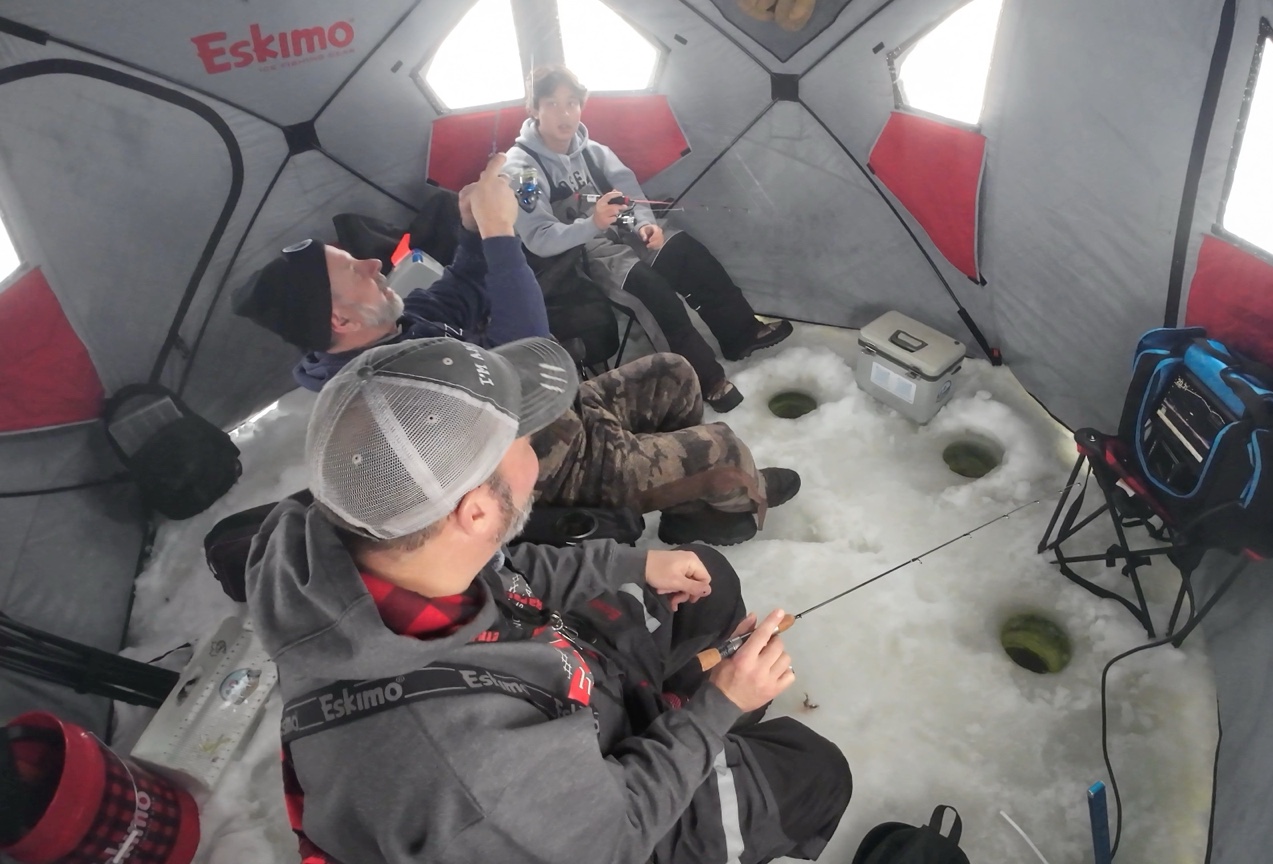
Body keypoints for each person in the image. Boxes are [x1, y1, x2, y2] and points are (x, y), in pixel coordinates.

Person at [248, 336, 852, 864]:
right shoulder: (462, 776)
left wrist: (636, 562)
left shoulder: (380, 530)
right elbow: (615, 837)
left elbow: (506, 569)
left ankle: (692, 710)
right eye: (520, 439)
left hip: (555, 686)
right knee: (815, 770)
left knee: (707, 577)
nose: (539, 452)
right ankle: (714, 730)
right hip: (599, 823)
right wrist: (718, 707)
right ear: (476, 511)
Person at [233, 154, 797, 545]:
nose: (374, 263)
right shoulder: (385, 396)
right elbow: (527, 356)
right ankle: (730, 503)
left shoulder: (402, 324)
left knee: (674, 373)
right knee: (722, 449)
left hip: (569, 415)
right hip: (550, 469)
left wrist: (474, 230)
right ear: (339, 318)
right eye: (352, 270)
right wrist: (503, 235)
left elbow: (462, 285)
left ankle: (683, 505)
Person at [503, 65, 793, 414]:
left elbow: (630, 195)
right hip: (579, 254)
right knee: (652, 290)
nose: (564, 114)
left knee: (687, 252)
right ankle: (704, 380)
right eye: (552, 104)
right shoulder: (522, 168)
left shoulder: (594, 151)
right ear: (533, 108)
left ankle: (741, 333)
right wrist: (591, 224)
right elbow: (539, 239)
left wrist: (644, 225)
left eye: (571, 103)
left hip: (624, 232)